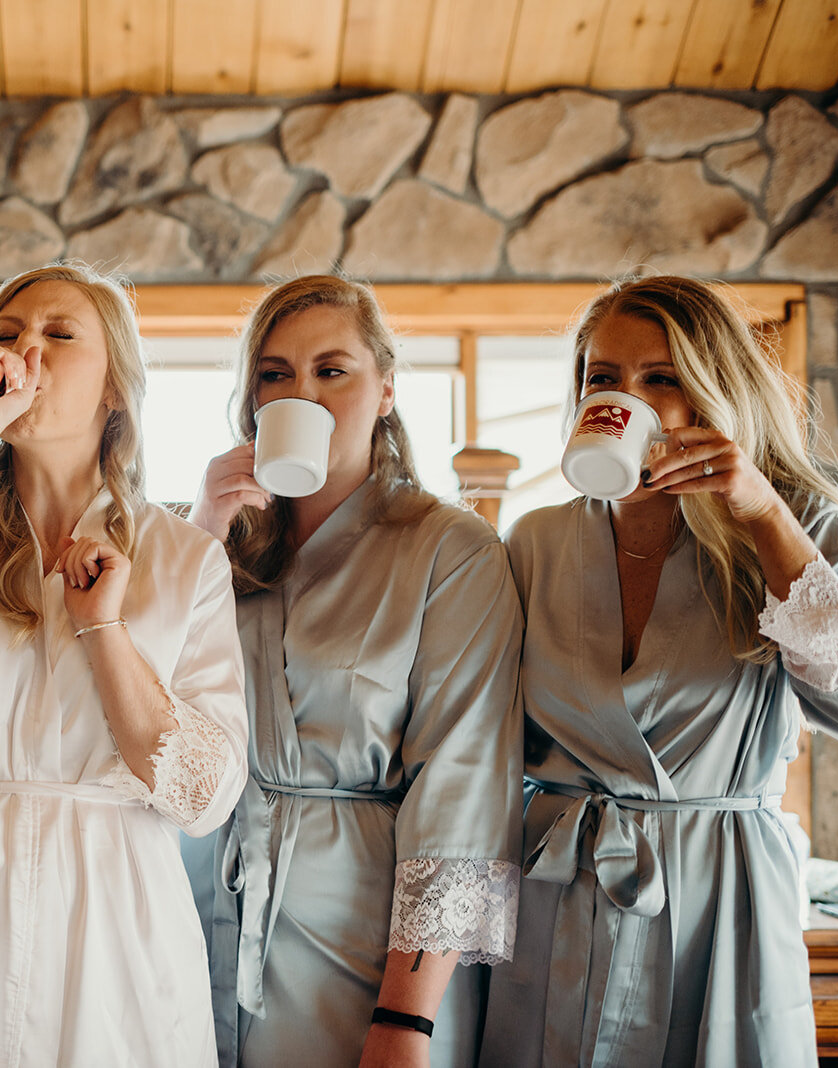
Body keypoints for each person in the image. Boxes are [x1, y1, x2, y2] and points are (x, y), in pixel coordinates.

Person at [0, 262, 249, 1067]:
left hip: (112, 904)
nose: (27, 349)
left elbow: (202, 795)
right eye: (6, 334)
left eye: (60, 335)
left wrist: (107, 631)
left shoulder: (184, 557)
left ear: (114, 390)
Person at [477, 276, 838, 1068]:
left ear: (713, 393)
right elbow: (484, 736)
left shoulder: (798, 523)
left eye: (661, 379)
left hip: (720, 897)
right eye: (603, 379)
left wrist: (760, 513)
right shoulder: (535, 542)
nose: (626, 400)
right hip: (560, 895)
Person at [188, 275, 524, 1067]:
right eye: (276, 375)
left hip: (367, 941)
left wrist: (406, 1025)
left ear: (384, 392)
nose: (302, 393)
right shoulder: (214, 540)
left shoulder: (450, 548)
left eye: (331, 371)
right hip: (202, 909)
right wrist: (201, 532)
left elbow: (464, 789)